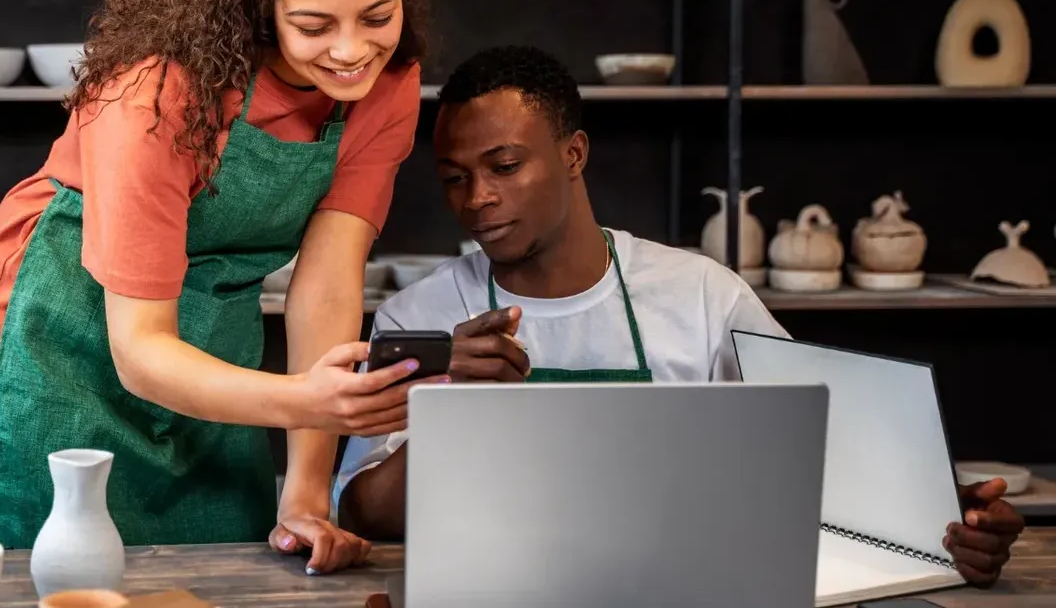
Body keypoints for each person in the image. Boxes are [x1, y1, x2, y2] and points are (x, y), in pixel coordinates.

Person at [334, 45, 1026, 587]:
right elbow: (362, 510)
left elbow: (820, 452)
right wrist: (458, 414)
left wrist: (943, 515)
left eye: (505, 165)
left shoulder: (701, 294)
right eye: (455, 178)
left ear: (573, 153)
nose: (478, 197)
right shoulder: (420, 312)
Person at [0, 0, 441, 574]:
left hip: (208, 325)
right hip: (71, 328)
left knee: (225, 565)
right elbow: (140, 346)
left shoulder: (387, 84)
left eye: (378, 14)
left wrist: (307, 491)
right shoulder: (158, 91)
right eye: (314, 25)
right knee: (74, 567)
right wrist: (305, 399)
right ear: (258, 4)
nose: (352, 50)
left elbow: (328, 280)